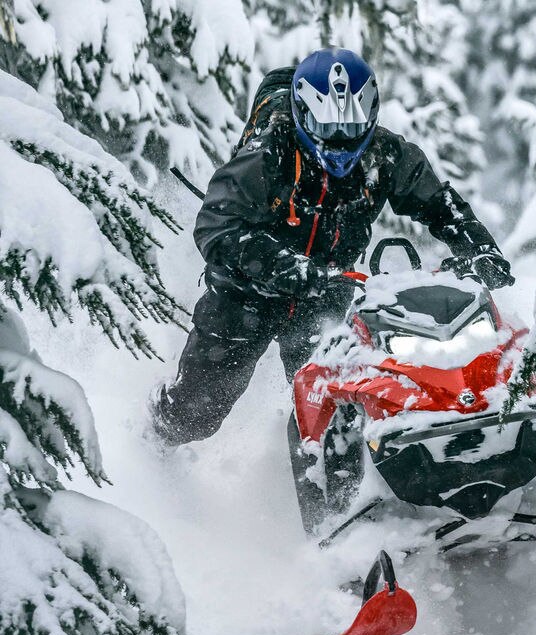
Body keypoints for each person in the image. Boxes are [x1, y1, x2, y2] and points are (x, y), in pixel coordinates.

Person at [150, 48, 512, 516]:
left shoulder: (385, 153)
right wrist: (297, 273)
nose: (339, 142)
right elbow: (216, 228)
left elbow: (438, 203)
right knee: (196, 414)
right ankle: (152, 440)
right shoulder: (269, 152)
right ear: (302, 116)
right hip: (245, 294)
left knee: (341, 397)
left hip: (327, 297)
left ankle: (347, 516)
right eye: (326, 128)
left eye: (351, 128)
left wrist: (479, 248)